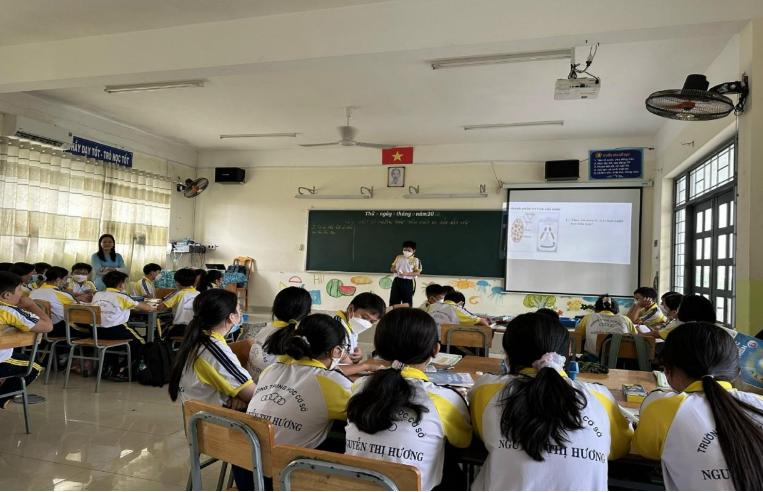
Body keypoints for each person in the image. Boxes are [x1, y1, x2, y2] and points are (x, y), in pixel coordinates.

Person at [469, 313, 633, 490]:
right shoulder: (600, 396)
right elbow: (619, 447)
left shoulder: (486, 388)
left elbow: (481, 432)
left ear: (507, 356)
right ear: (568, 351)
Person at [346, 308, 472, 491]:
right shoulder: (447, 399)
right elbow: (463, 442)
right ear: (435, 349)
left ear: (379, 349)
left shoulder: (359, 386)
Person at [633, 322, 763, 490]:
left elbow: (645, 450)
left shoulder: (662, 408)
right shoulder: (758, 403)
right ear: (738, 372)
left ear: (667, 370)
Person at [246, 314, 353, 449]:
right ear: (336, 351)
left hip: (246, 455)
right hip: (287, 461)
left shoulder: (271, 370)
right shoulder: (333, 383)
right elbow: (367, 413)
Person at [169, 289, 254, 408]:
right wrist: (239, 394)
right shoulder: (213, 351)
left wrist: (237, 394)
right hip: (215, 415)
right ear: (232, 317)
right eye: (239, 310)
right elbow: (253, 395)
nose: (240, 314)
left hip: (201, 409)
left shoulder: (198, 339)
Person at [0, 272, 53, 409]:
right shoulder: (8, 310)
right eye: (19, 289)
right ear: (7, 295)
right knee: (34, 366)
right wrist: (31, 305)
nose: (22, 293)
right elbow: (47, 326)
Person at [91, 271, 153, 381]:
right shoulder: (122, 297)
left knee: (118, 344)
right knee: (142, 344)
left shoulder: (97, 294)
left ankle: (109, 368)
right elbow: (147, 308)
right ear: (121, 285)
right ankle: (122, 371)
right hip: (117, 331)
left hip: (97, 332)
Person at [246, 286, 311, 383]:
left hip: (252, 385)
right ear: (308, 313)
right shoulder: (301, 340)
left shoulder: (264, 329)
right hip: (269, 390)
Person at [29, 266, 90, 339]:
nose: (66, 282)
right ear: (58, 280)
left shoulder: (33, 292)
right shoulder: (61, 294)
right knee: (91, 331)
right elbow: (77, 308)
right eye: (65, 279)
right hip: (59, 328)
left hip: (37, 327)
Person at [335, 292, 386, 376]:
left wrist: (358, 356)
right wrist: (364, 366)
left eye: (372, 322)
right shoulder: (335, 328)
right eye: (364, 317)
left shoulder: (351, 326)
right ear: (351, 309)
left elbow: (349, 357)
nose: (366, 323)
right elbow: (331, 367)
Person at [157, 268, 199, 338]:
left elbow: (159, 307)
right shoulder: (199, 294)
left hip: (181, 329)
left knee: (162, 335)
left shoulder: (180, 294)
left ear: (177, 282)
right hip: (196, 329)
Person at [389, 240, 422, 307]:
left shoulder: (416, 260)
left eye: (409, 250)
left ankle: (407, 313)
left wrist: (406, 274)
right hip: (397, 280)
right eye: (405, 250)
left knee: (407, 301)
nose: (406, 252)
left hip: (408, 282)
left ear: (414, 251)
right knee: (394, 300)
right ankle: (393, 313)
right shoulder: (399, 257)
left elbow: (418, 272)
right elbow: (392, 267)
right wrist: (393, 269)